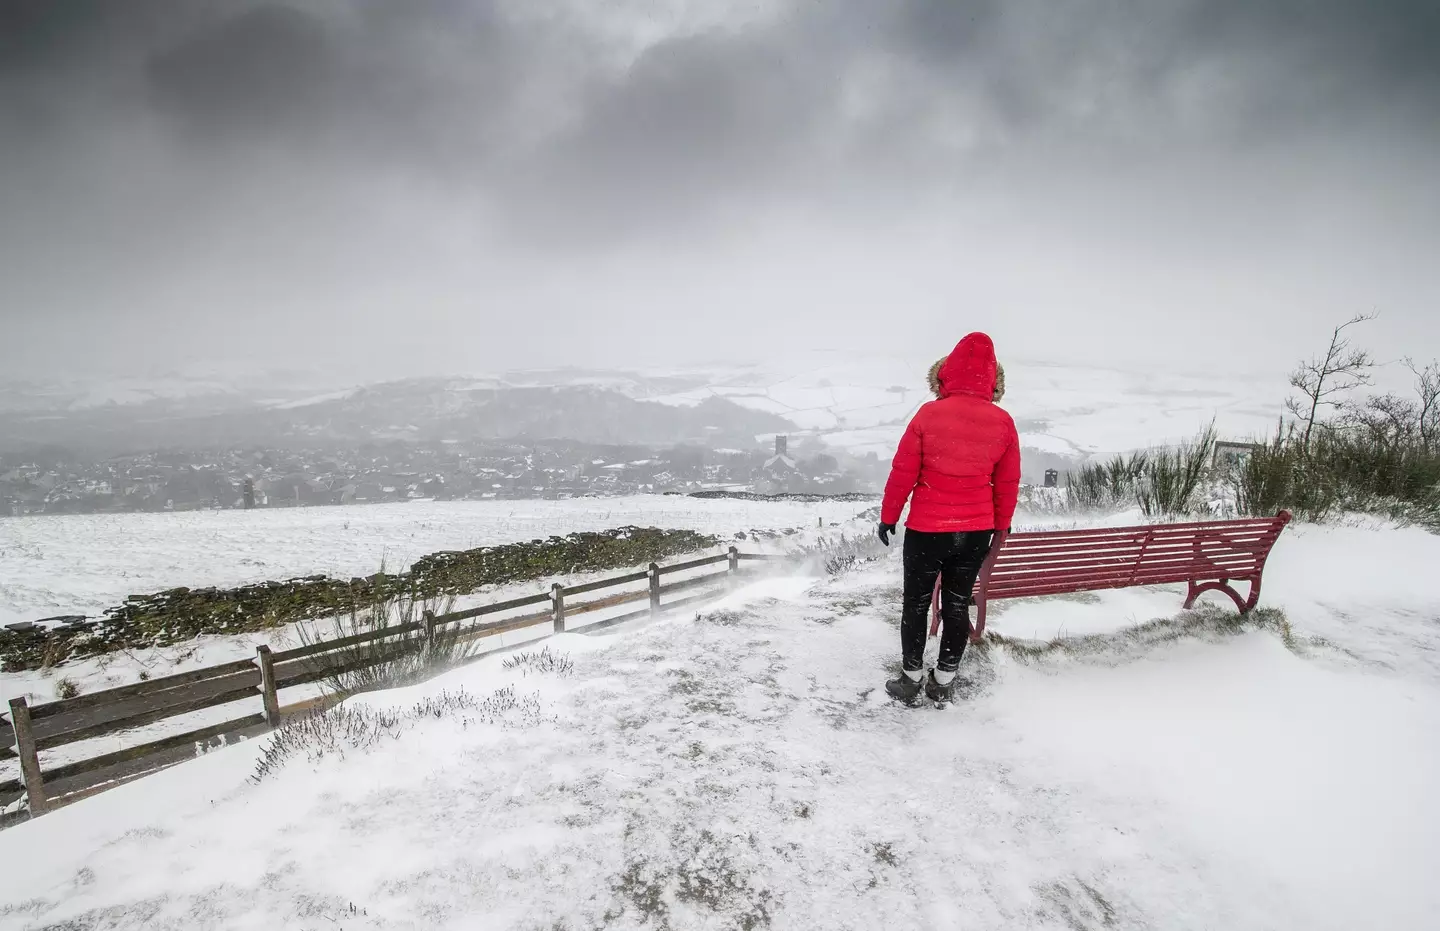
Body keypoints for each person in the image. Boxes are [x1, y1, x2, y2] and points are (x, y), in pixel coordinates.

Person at [877, 332, 1020, 704]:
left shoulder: (928, 415)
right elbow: (1007, 484)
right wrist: (1000, 528)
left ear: (945, 374)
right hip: (975, 532)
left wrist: (889, 515)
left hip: (927, 530)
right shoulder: (1003, 423)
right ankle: (943, 679)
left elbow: (903, 471)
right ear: (993, 380)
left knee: (917, 603)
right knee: (956, 604)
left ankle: (910, 678)